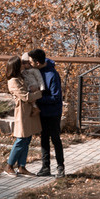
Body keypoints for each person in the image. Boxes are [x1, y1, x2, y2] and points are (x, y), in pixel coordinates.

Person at [30, 47, 66, 176]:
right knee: (44, 139)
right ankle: (45, 167)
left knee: (55, 139)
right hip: (43, 112)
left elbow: (56, 97)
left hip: (53, 112)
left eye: (31, 62)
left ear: (37, 63)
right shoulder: (37, 71)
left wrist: (38, 98)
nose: (30, 64)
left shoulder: (52, 75)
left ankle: (60, 167)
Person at [2, 56, 41, 175]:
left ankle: (22, 166)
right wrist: (40, 93)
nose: (23, 65)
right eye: (21, 63)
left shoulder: (21, 76)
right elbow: (26, 97)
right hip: (22, 112)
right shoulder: (13, 81)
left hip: (28, 111)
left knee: (27, 138)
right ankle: (9, 165)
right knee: (21, 139)